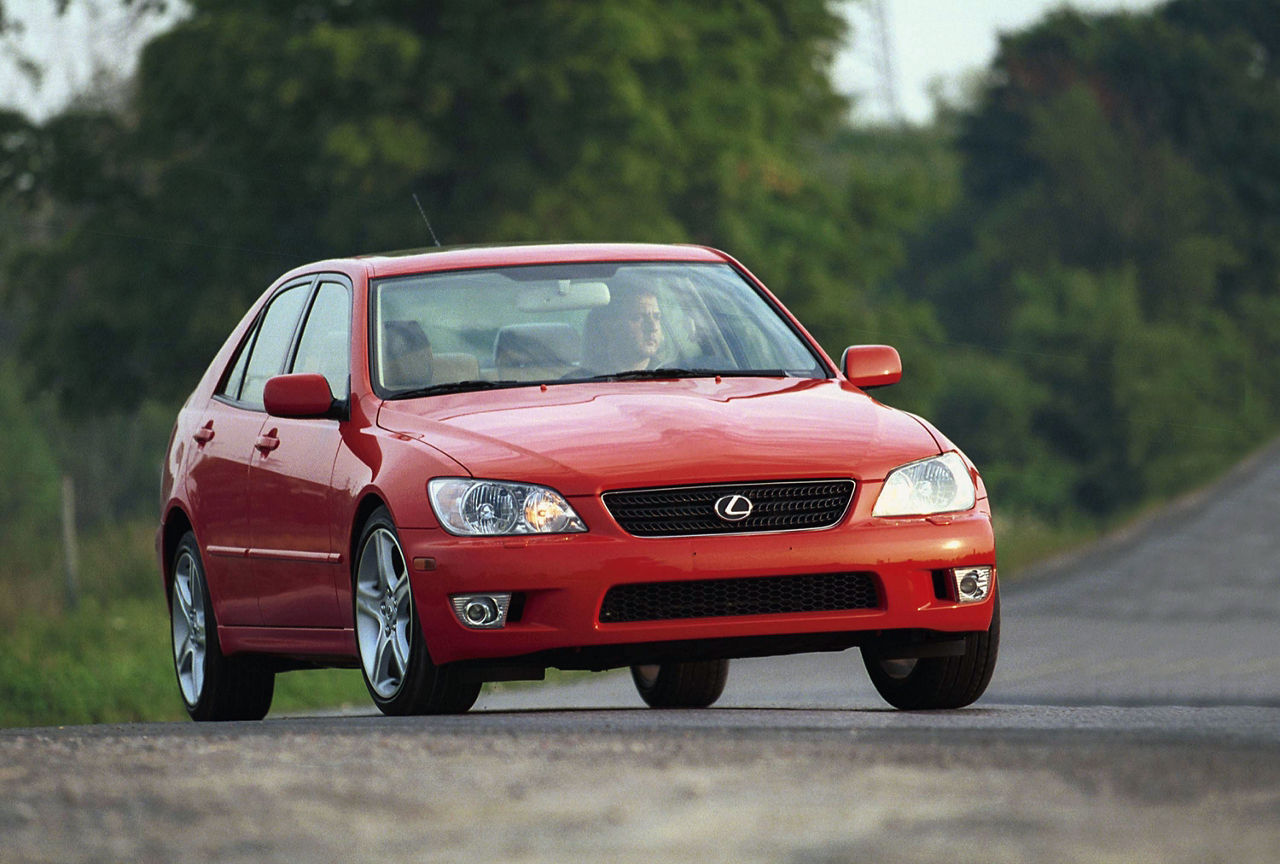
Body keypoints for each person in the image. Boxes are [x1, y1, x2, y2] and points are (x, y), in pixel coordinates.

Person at [582, 286, 667, 372]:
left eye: (657, 317)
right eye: (638, 318)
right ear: (609, 327)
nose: (653, 327)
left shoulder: (671, 377)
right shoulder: (579, 382)